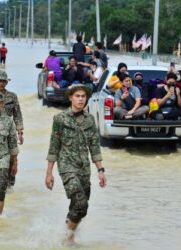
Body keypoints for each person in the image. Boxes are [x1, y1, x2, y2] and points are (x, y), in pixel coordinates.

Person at [45, 84, 107, 245]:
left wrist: (100, 170)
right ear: (70, 98)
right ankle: (68, 239)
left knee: (80, 209)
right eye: (77, 96)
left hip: (84, 168)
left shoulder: (89, 119)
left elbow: (94, 146)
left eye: (83, 96)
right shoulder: (60, 119)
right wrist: (49, 173)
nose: (80, 99)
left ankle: (66, 236)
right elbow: (54, 145)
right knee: (80, 202)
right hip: (66, 167)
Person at [0, 70, 24, 192]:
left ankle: (10, 185)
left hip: (9, 131)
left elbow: (17, 114)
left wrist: (20, 130)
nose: (1, 83)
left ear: (6, 82)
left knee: (12, 158)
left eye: (3, 81)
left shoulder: (12, 96)